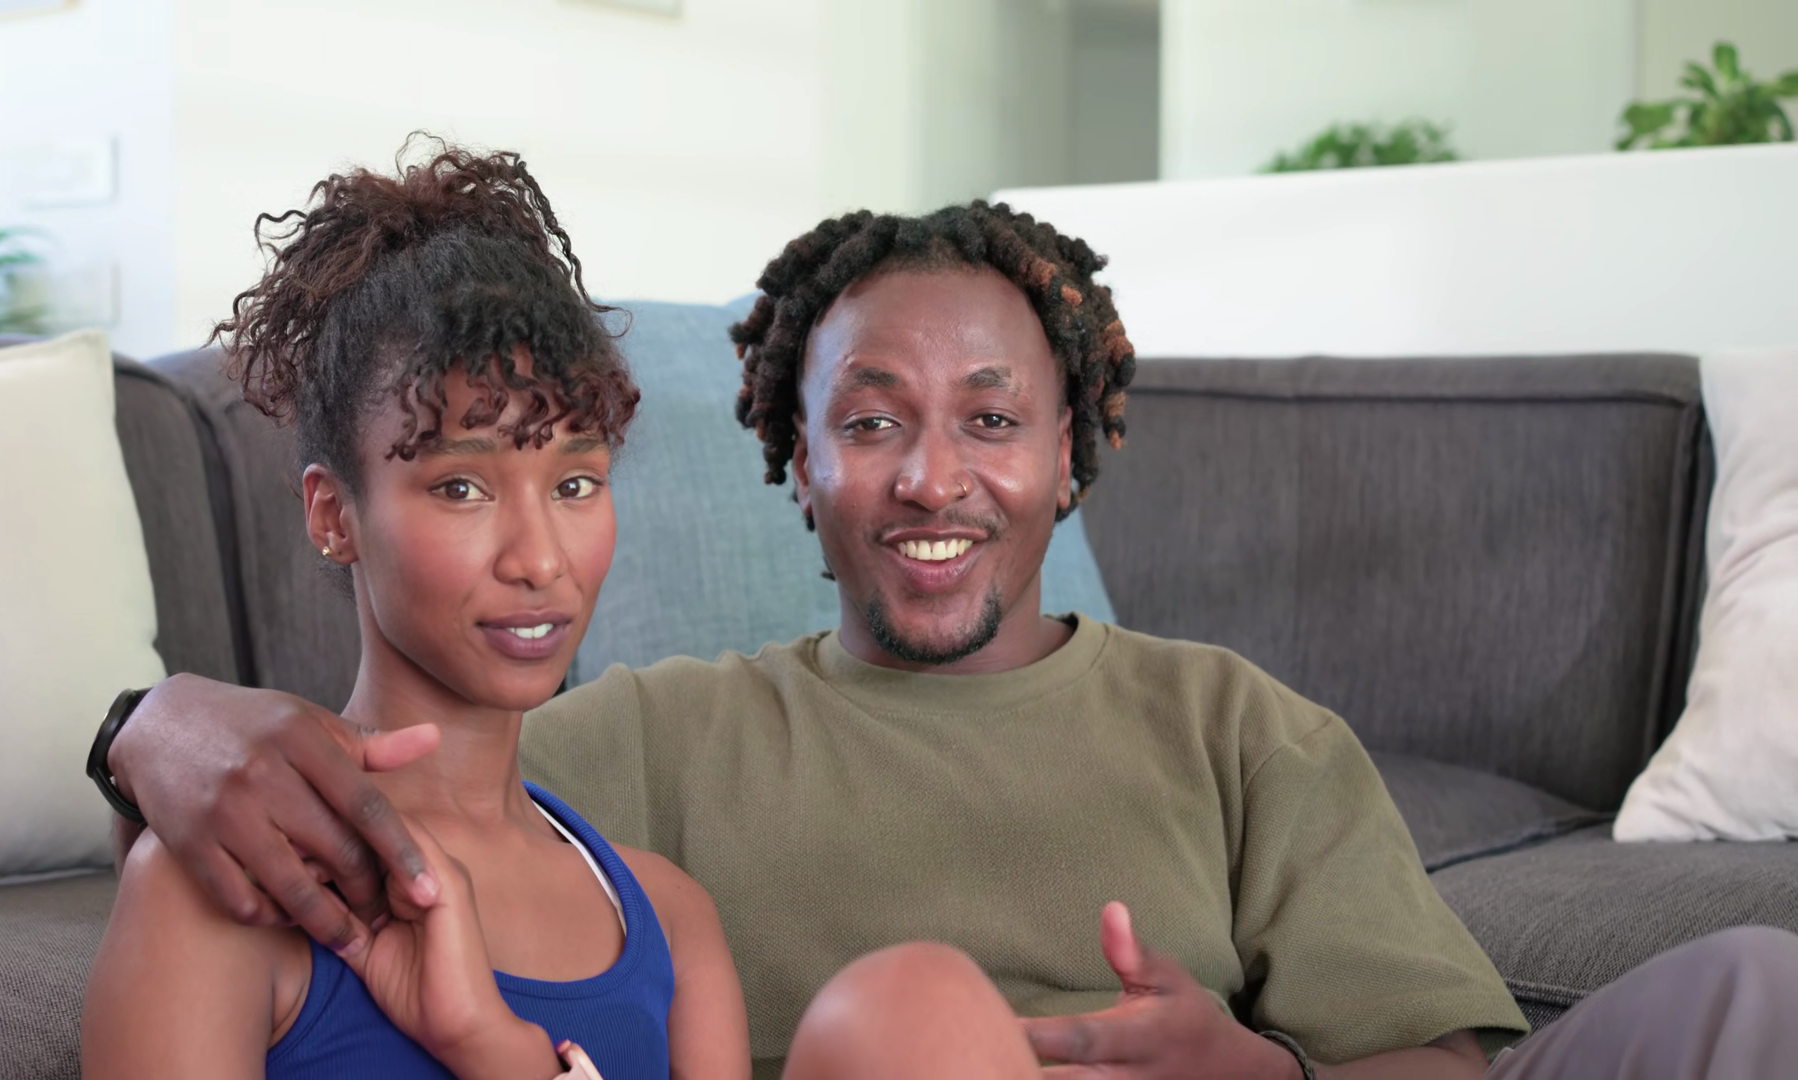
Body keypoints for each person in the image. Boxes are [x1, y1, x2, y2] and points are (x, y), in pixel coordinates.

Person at [95, 201, 1798, 1080]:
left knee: (1751, 987)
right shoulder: (655, 742)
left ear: (1070, 455)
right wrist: (144, 724)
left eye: (991, 419)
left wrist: (1258, 1070)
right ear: (798, 464)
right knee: (913, 1010)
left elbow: (1443, 1062)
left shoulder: (1237, 728)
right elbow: (375, 802)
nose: (930, 476)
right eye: (870, 422)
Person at [79, 144, 1053, 1080]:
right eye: (462, 487)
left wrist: (493, 1048)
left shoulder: (666, 918)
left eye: (576, 483)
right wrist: (147, 728)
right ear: (335, 516)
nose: (540, 559)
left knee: (915, 1004)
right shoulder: (230, 888)